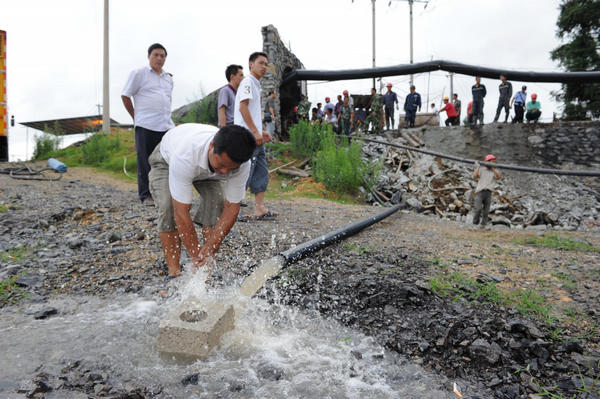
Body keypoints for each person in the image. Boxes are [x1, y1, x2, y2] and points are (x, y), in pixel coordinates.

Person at [148, 123, 257, 277]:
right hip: (167, 160)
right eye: (222, 164)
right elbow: (181, 212)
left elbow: (232, 207)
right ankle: (174, 272)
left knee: (217, 202)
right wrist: (196, 256)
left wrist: (211, 245)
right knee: (168, 208)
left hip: (206, 171)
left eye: (231, 168)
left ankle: (208, 267)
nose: (225, 172)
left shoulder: (241, 163)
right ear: (212, 146)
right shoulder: (185, 155)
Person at [122, 43, 174, 206]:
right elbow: (125, 95)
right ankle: (146, 195)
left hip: (165, 125)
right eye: (156, 55)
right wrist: (135, 117)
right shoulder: (139, 73)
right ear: (149, 56)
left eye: (162, 56)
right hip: (146, 124)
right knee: (145, 161)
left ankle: (164, 193)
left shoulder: (168, 78)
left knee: (165, 159)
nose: (159, 58)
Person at [234, 51, 277, 220]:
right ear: (251, 64)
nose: (264, 66)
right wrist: (254, 131)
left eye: (266, 64)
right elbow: (243, 108)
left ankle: (260, 208)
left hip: (255, 136)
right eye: (261, 63)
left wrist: (261, 130)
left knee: (261, 171)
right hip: (246, 137)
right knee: (244, 172)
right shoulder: (247, 82)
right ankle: (233, 211)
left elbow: (251, 110)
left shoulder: (256, 84)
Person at [472, 154, 502, 228]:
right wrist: (478, 166)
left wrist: (493, 169)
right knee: (478, 209)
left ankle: (483, 225)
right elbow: (475, 176)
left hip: (488, 192)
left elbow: (499, 177)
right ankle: (475, 224)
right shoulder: (482, 169)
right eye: (492, 161)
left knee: (486, 211)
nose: (493, 163)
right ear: (487, 161)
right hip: (480, 191)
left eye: (494, 162)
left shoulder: (494, 171)